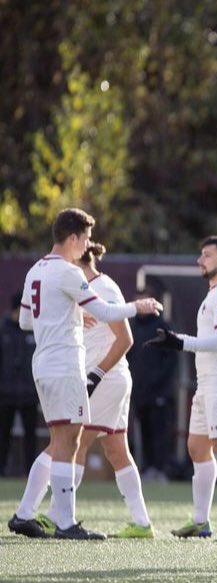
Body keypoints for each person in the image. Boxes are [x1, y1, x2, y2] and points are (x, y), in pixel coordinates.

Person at [8, 208, 162, 540]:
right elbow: (105, 311)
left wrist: (68, 311)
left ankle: (26, 514)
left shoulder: (36, 270)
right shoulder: (68, 272)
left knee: (62, 441)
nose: (88, 246)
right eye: (86, 239)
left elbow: (24, 321)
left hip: (43, 364)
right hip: (66, 364)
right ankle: (62, 522)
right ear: (74, 237)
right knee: (69, 441)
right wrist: (139, 306)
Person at [145, 236, 217, 542]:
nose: (199, 260)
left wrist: (179, 342)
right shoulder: (216, 293)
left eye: (206, 255)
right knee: (197, 447)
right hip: (207, 385)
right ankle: (200, 521)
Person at [126, 285, 178, 481]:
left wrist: (158, 383)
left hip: (160, 393)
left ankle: (161, 469)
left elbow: (171, 360)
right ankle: (147, 468)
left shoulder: (163, 326)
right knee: (144, 432)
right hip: (140, 393)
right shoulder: (131, 326)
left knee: (160, 432)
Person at [0, 292, 39, 476]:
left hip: (29, 394)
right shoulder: (3, 330)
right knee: (3, 436)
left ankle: (31, 473)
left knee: (30, 437)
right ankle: (2, 471)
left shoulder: (35, 330)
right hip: (6, 394)